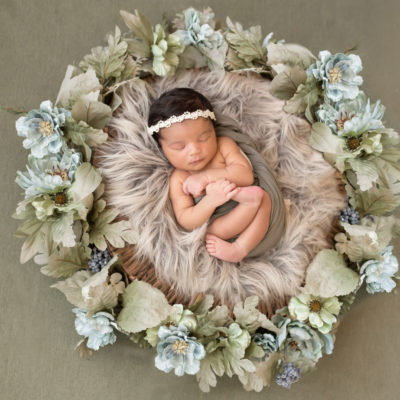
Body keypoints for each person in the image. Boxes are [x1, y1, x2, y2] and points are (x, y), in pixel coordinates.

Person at [147, 88, 272, 263]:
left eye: (204, 138)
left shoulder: (224, 146)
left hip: (259, 226)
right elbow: (187, 220)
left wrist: (206, 177)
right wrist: (211, 200)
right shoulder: (179, 178)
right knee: (210, 229)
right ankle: (237, 241)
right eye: (179, 147)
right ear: (162, 149)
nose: (195, 150)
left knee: (264, 197)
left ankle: (240, 248)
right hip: (222, 229)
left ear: (213, 129)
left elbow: (246, 176)